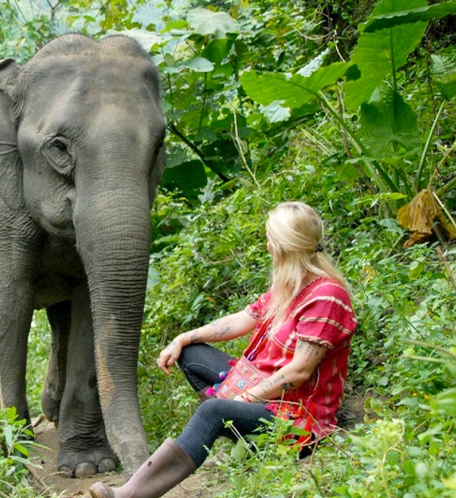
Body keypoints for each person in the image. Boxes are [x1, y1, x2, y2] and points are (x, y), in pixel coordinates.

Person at [90, 201, 357, 498]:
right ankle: (234, 434)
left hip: (297, 418)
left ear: (281, 247)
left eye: (270, 240)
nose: (267, 247)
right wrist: (184, 338)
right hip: (266, 391)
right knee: (192, 355)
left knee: (213, 411)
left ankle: (130, 494)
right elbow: (242, 320)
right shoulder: (291, 286)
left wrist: (244, 399)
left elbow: (298, 372)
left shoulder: (327, 296)